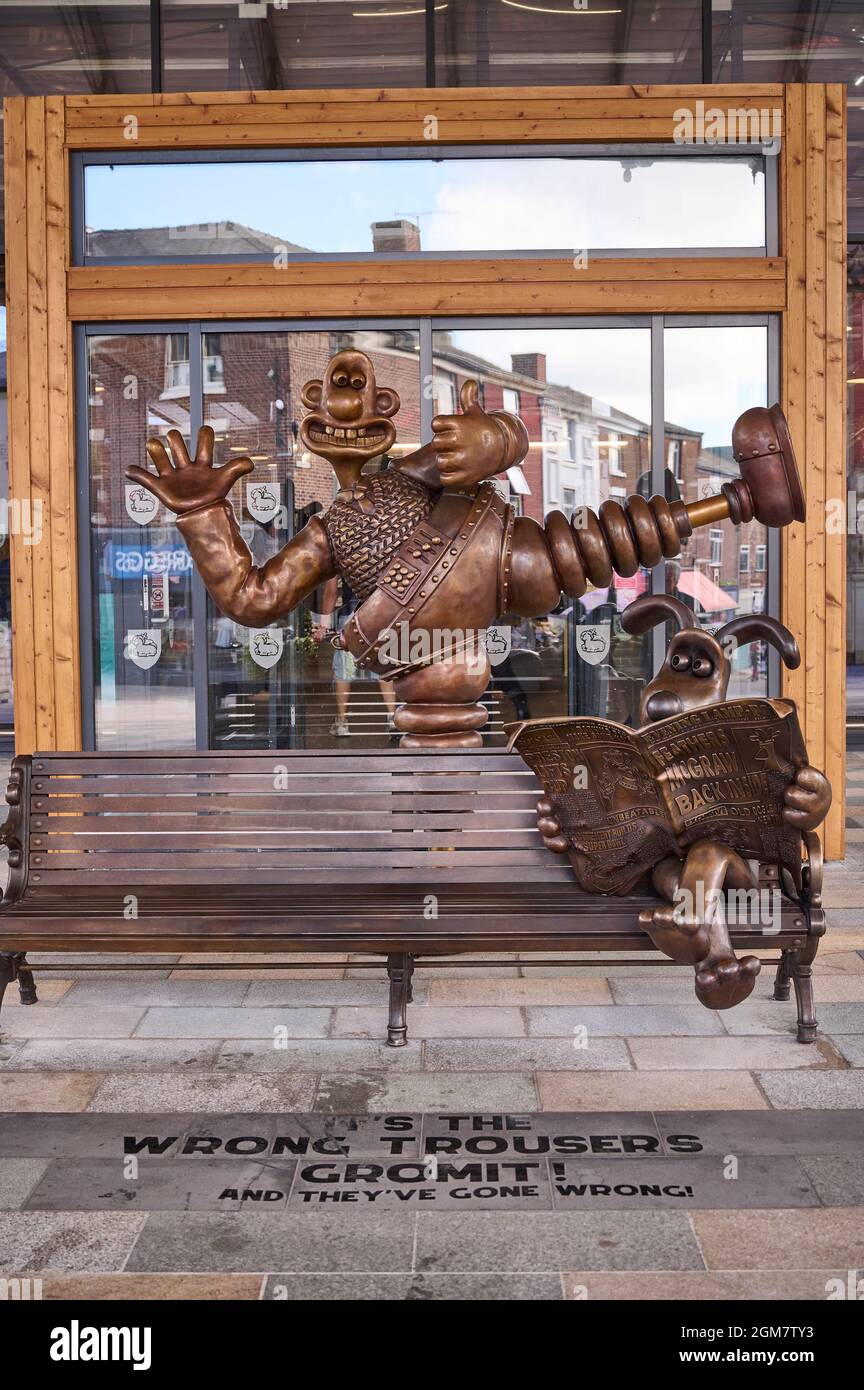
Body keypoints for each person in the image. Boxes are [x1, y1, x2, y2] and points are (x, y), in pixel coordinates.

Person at [311, 575, 396, 738]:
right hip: (379, 613)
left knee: (344, 670)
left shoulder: (342, 551)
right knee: (382, 666)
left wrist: (323, 626)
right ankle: (392, 717)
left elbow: (331, 590)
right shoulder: (380, 550)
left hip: (350, 614)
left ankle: (342, 722)